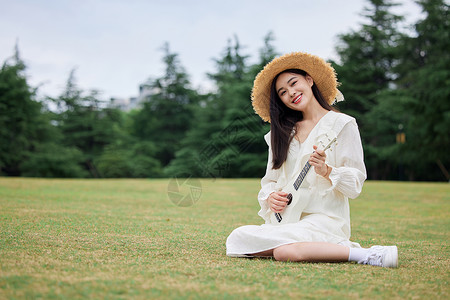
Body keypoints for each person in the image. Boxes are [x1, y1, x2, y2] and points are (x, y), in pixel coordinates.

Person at [226, 52, 398, 268]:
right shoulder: (280, 133)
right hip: (287, 221)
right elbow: (270, 180)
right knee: (237, 237)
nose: (291, 93)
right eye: (283, 92)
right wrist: (271, 197)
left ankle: (365, 254)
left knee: (284, 252)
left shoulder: (342, 124)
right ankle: (315, 247)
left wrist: (327, 171)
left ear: (309, 80)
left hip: (325, 221)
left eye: (293, 83)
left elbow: (355, 184)